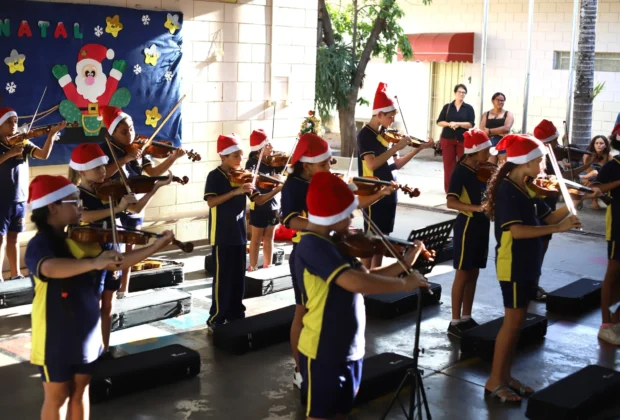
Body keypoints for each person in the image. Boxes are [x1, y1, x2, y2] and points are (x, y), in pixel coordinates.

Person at [26, 175, 173, 420]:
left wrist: (155, 247)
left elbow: (118, 262)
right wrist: (94, 263)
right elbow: (50, 268)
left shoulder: (80, 238)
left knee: (81, 389)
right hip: (56, 332)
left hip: (86, 327)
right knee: (58, 394)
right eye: (73, 201)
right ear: (52, 207)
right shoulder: (39, 244)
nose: (81, 206)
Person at [295, 171, 430, 420]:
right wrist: (404, 285)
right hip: (324, 350)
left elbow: (367, 275)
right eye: (347, 214)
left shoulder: (337, 242)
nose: (350, 220)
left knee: (341, 413)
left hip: (351, 349)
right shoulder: (311, 246)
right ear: (331, 216)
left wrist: (406, 262)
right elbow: (355, 282)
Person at [281, 132, 395, 389]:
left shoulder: (326, 181)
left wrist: (381, 193)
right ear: (307, 164)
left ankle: (327, 357)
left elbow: (353, 203)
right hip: (307, 250)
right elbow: (289, 220)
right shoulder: (294, 185)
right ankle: (301, 368)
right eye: (323, 164)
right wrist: (321, 223)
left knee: (330, 308)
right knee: (304, 310)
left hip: (331, 247)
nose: (328, 168)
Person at [482, 134, 581, 403]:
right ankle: (494, 380)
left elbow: (546, 217)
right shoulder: (507, 192)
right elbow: (516, 231)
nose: (543, 169)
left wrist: (576, 201)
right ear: (524, 164)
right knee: (511, 325)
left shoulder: (526, 188)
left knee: (518, 324)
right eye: (539, 162)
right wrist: (557, 229)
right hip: (513, 264)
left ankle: (505, 376)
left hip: (527, 262)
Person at [67, 143, 172, 355]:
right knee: (92, 306)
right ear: (81, 170)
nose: (103, 171)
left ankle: (104, 348)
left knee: (108, 304)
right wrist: (115, 208)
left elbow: (135, 208)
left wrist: (154, 188)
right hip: (90, 255)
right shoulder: (74, 193)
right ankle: (87, 350)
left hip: (113, 248)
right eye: (97, 167)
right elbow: (82, 217)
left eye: (104, 166)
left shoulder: (109, 190)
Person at [98, 105, 185, 298]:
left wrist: (172, 158)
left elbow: (153, 172)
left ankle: (124, 288)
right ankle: (109, 290)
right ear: (112, 132)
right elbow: (103, 174)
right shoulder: (105, 148)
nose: (129, 134)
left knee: (131, 246)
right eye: (123, 131)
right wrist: (125, 159)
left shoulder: (139, 149)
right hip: (116, 203)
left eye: (131, 129)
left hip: (137, 202)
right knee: (117, 248)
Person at [357, 82, 434, 269]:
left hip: (390, 191)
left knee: (382, 241)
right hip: (373, 191)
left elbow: (396, 164)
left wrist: (416, 149)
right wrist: (397, 147)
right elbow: (372, 164)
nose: (392, 121)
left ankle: (376, 277)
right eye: (390, 117)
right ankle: (364, 277)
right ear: (380, 114)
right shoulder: (365, 135)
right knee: (370, 241)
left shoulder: (386, 135)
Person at [0, 107, 66, 282]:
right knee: (0, 239)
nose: (14, 125)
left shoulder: (24, 143)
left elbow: (43, 155)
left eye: (15, 121)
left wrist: (51, 135)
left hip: (19, 198)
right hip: (1, 199)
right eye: (9, 122)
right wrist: (10, 154)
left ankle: (15, 274)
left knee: (14, 237)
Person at [532, 119, 593, 301]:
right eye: (554, 141)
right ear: (547, 142)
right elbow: (564, 177)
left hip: (547, 205)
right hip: (543, 206)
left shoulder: (548, 157)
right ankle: (532, 285)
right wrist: (586, 166)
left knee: (541, 246)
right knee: (539, 248)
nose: (558, 145)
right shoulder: (544, 158)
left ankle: (533, 284)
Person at [446, 129, 495, 337]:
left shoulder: (480, 168)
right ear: (474, 152)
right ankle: (455, 321)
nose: (488, 154)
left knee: (474, 271)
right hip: (467, 224)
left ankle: (467, 316)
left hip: (481, 224)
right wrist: (478, 208)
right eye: (485, 150)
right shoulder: (461, 172)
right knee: (463, 272)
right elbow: (451, 201)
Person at [204, 133, 253, 333]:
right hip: (222, 234)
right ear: (223, 157)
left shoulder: (243, 176)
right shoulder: (215, 176)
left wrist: (276, 187)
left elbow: (258, 200)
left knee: (237, 277)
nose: (240, 160)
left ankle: (235, 313)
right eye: (235, 156)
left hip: (239, 234)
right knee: (222, 278)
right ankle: (216, 316)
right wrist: (236, 191)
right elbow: (211, 201)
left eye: (241, 155)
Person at [592, 124, 620, 345]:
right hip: (618, 224)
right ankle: (605, 324)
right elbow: (596, 189)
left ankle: (617, 317)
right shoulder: (613, 165)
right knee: (612, 273)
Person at [245, 129, 283, 272]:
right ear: (259, 148)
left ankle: (269, 266)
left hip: (274, 203)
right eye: (268, 145)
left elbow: (289, 169)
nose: (272, 148)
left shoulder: (273, 162)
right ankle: (253, 266)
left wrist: (281, 178)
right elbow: (250, 179)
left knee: (269, 237)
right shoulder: (252, 163)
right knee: (256, 238)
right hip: (259, 205)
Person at [436, 84, 476, 193]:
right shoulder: (447, 107)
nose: (461, 94)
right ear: (455, 93)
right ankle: (450, 190)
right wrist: (450, 124)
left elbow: (471, 124)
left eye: (464, 92)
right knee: (449, 165)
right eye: (459, 92)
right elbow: (439, 122)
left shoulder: (468, 108)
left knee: (463, 165)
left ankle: (462, 189)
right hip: (447, 138)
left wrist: (458, 123)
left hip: (462, 139)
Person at [479, 92, 513, 165]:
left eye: (502, 100)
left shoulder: (508, 114)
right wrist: (499, 132)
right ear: (493, 101)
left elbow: (506, 128)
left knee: (503, 168)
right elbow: (482, 130)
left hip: (503, 142)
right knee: (490, 167)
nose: (500, 102)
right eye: (498, 100)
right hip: (490, 143)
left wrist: (489, 131)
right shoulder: (486, 114)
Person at [580, 135, 612, 209]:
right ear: (593, 145)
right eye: (596, 143)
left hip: (601, 176)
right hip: (587, 175)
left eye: (601, 143)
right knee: (594, 176)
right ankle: (596, 200)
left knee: (599, 178)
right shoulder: (588, 155)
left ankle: (599, 197)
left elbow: (610, 169)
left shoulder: (609, 156)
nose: (598, 145)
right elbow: (586, 169)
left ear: (605, 145)